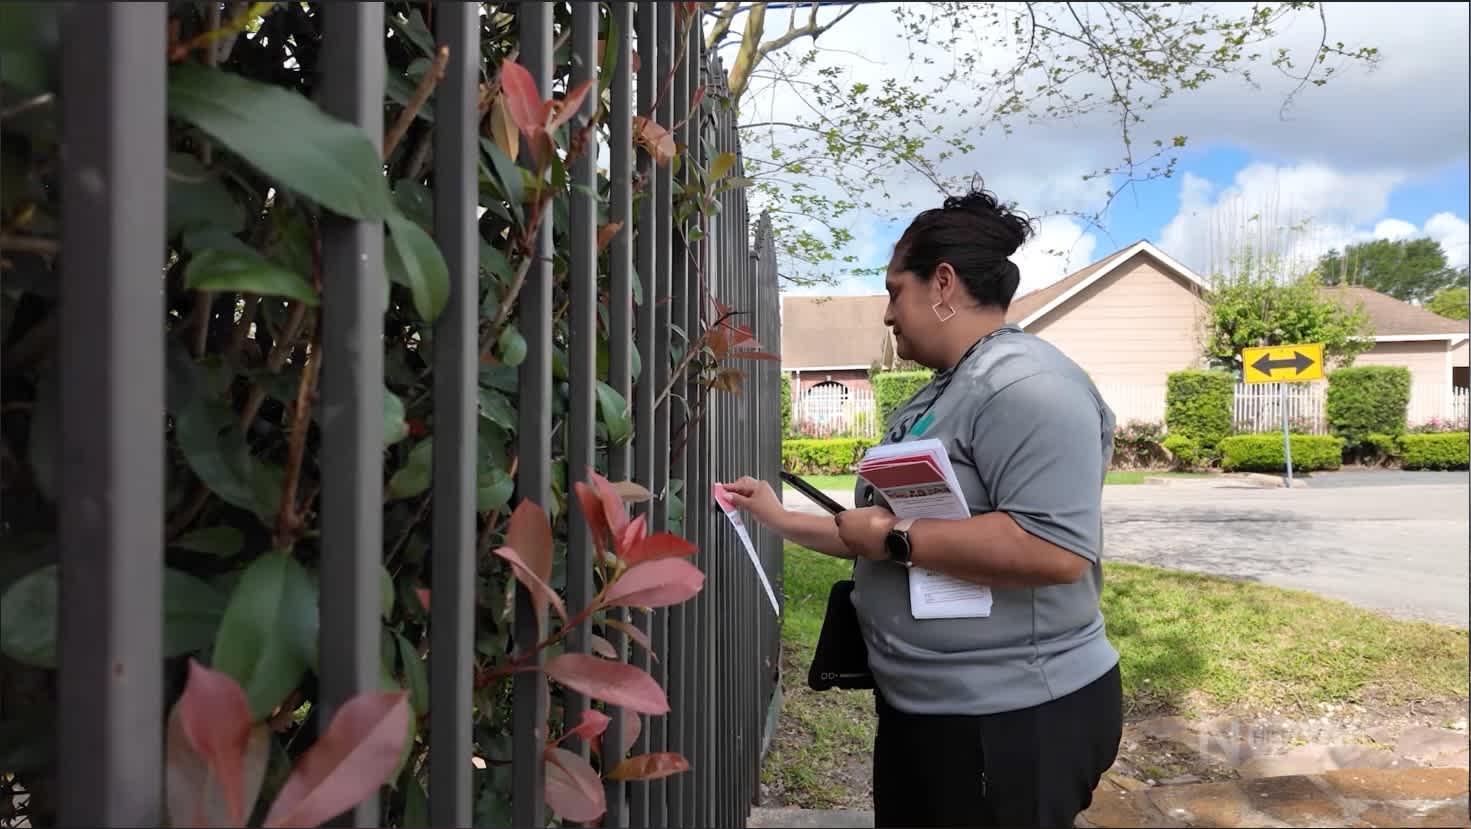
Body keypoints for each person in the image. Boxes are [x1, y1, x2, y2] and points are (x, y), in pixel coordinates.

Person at [721, 185, 1123, 828]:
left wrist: (897, 539)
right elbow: (874, 529)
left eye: (893, 291)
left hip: (1012, 720)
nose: (886, 314)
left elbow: (1055, 551)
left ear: (942, 284)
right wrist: (776, 515)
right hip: (932, 711)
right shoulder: (946, 390)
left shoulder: (1030, 387)